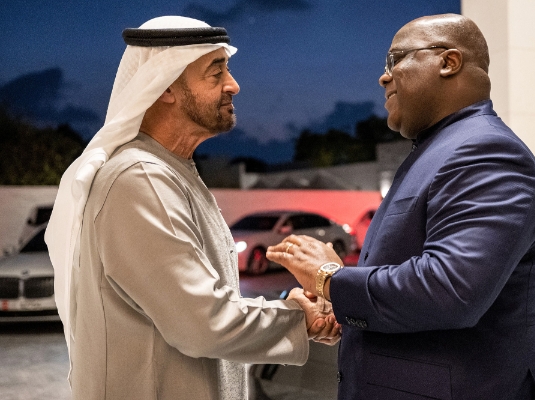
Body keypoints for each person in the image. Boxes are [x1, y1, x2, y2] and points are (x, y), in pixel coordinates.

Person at [45, 16, 339, 400]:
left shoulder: (170, 170)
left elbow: (199, 300)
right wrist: (299, 319)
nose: (233, 85)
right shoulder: (141, 178)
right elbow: (202, 323)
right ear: (165, 86)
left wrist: (286, 308)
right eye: (215, 74)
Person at [267, 13, 535, 400]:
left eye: (395, 60)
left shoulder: (486, 152)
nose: (383, 77)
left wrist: (329, 279)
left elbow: (450, 290)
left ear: (448, 62)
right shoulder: (440, 151)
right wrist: (340, 302)